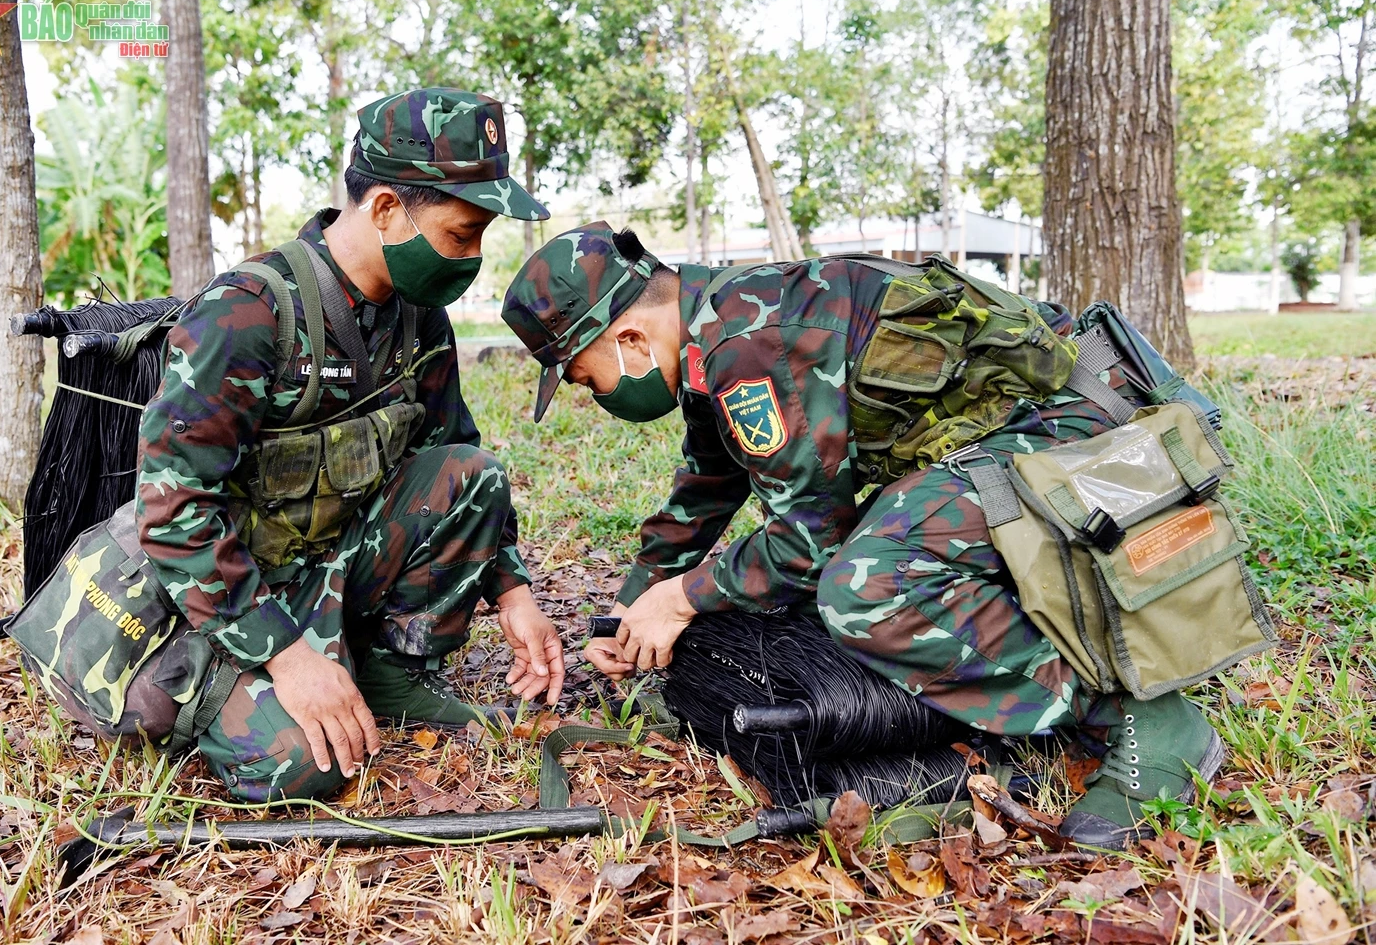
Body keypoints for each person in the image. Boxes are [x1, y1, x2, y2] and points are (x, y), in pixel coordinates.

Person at [500, 221, 1235, 846]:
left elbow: (811, 540)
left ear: (627, 337)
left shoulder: (746, 344)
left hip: (1082, 430)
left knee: (867, 582)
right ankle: (1035, 674)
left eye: (581, 376)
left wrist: (684, 600)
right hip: (1026, 432)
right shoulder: (713, 326)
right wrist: (633, 608)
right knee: (885, 546)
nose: (590, 393)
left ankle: (1147, 722)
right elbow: (707, 488)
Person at [137, 88, 565, 803]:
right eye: (462, 234)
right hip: (232, 591)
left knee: (474, 473)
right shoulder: (248, 313)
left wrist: (513, 593)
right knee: (308, 767)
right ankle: (252, 681)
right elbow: (173, 509)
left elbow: (450, 451)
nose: (473, 256)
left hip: (333, 563)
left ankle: (393, 672)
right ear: (388, 210)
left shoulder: (418, 320)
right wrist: (286, 653)